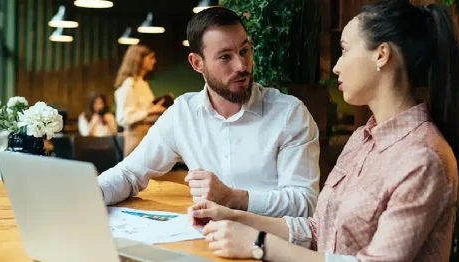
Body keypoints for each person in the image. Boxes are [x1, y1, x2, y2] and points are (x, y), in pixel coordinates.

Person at [188, 0, 459, 261]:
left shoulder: (421, 159)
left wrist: (258, 244)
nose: (336, 66)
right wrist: (231, 217)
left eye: (344, 50)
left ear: (381, 55)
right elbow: (320, 230)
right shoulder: (363, 139)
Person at [97, 7, 321, 218]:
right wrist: (88, 195)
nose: (241, 66)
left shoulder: (289, 114)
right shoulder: (183, 114)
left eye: (244, 51)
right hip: (205, 241)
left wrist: (234, 198)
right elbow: (129, 174)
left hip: (270, 246)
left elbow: (305, 204)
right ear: (197, 63)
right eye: (225, 57)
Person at [113, 44, 167, 157]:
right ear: (139, 59)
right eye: (150, 58)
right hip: (135, 137)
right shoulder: (129, 84)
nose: (154, 61)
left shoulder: (143, 83)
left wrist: (158, 110)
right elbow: (123, 118)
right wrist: (150, 111)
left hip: (148, 134)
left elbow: (144, 112)